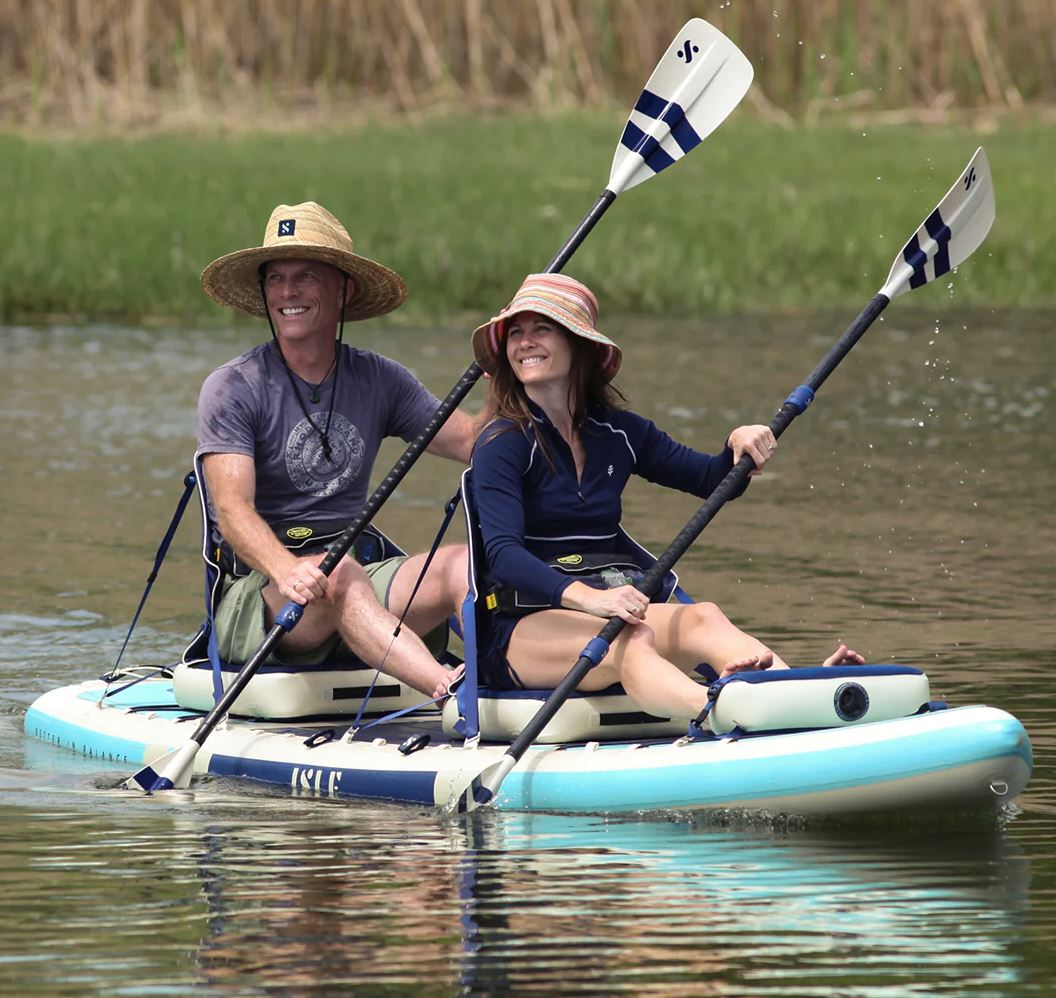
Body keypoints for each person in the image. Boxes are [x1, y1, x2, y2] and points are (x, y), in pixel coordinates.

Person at [468, 273, 862, 729]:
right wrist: (594, 602)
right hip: (522, 627)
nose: (525, 343)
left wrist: (740, 443)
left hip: (613, 612)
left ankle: (796, 695)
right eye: (516, 332)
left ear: (579, 344)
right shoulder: (501, 442)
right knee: (629, 641)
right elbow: (504, 557)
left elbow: (715, 480)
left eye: (542, 329)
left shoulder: (619, 433)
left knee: (704, 618)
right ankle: (722, 714)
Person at [197, 201, 481, 699]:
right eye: (275, 278)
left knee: (460, 563)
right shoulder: (233, 386)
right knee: (341, 572)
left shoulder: (381, 379)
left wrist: (506, 363)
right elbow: (231, 510)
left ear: (343, 289)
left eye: (305, 276)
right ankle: (452, 692)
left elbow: (474, 443)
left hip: (352, 577)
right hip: (261, 595)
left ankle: (505, 682)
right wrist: (287, 569)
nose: (287, 292)